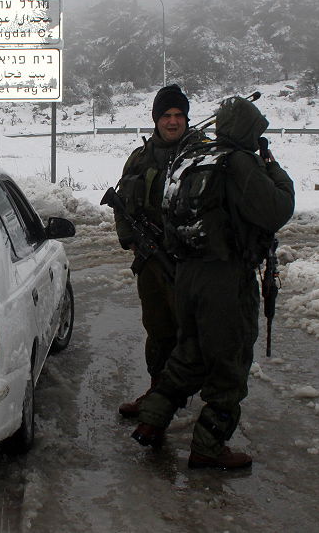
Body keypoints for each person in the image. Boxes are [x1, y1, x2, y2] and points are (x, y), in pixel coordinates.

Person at [131, 95, 295, 470]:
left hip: (188, 274)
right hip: (225, 278)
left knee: (190, 353)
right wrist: (275, 170)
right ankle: (208, 446)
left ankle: (151, 421)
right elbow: (276, 210)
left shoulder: (193, 158)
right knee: (229, 364)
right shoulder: (238, 162)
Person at [111, 84, 196, 418]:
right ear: (156, 120)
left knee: (192, 332)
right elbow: (121, 203)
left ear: (186, 119)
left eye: (178, 116)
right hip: (150, 261)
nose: (172, 122)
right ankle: (157, 391)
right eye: (166, 116)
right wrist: (129, 236)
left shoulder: (202, 155)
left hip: (190, 263)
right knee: (158, 330)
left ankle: (196, 398)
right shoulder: (140, 158)